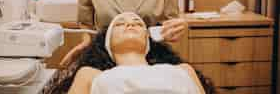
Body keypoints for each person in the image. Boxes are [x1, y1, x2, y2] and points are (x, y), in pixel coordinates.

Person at [63, 12, 215, 94]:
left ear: (147, 38)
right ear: (107, 43)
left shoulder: (183, 69)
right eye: (120, 24)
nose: (129, 24)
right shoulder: (90, 75)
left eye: (137, 23)